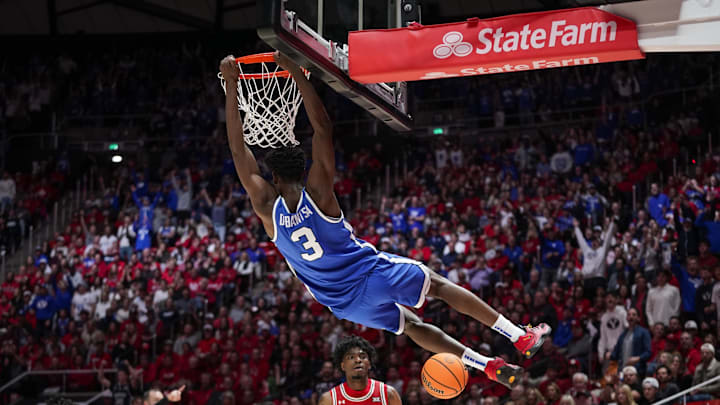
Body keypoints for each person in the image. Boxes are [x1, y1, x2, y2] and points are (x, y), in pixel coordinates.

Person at [219, 52, 551, 388]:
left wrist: (231, 86)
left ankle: (487, 366)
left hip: (343, 305)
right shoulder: (318, 194)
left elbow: (237, 150)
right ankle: (517, 336)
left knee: (411, 327)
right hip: (368, 275)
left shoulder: (264, 205)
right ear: (303, 169)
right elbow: (323, 128)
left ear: (271, 176)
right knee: (436, 285)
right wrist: (297, 73)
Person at [316, 336, 401, 405]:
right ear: (343, 366)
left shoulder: (389, 394)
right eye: (351, 357)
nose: (358, 360)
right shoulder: (329, 400)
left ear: (370, 364)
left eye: (363, 356)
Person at [610, 308, 651, 376]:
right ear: (626, 318)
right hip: (622, 370)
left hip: (637, 370)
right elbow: (616, 353)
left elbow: (648, 352)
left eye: (634, 315)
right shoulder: (623, 334)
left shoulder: (644, 332)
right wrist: (609, 354)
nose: (631, 317)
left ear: (638, 318)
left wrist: (638, 358)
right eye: (629, 315)